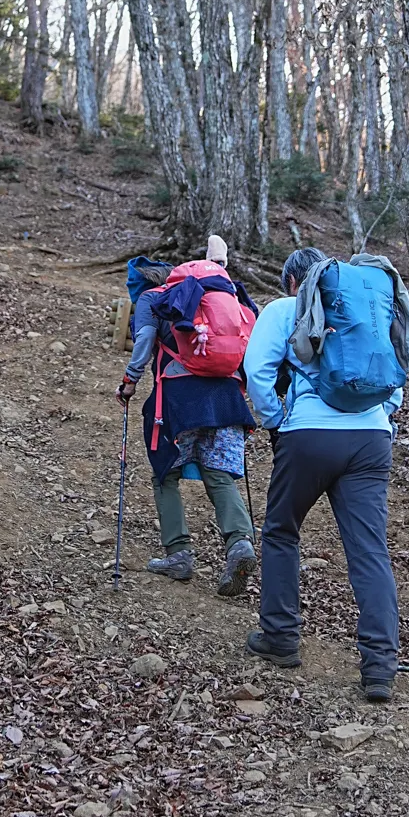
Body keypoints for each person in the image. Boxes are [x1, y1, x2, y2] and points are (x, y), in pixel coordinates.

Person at [242, 244, 409, 703]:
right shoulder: (370, 309)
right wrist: (384, 416)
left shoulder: (285, 308)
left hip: (308, 436)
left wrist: (275, 418)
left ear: (294, 281)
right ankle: (379, 668)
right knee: (369, 550)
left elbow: (257, 370)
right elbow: (394, 374)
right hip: (372, 440)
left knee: (280, 532)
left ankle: (280, 637)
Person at [117, 234, 258, 596]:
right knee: (219, 475)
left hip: (179, 401)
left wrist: (129, 382)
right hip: (228, 399)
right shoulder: (218, 300)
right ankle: (240, 543)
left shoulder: (153, 299)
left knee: (166, 474)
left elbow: (145, 342)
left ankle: (178, 553)